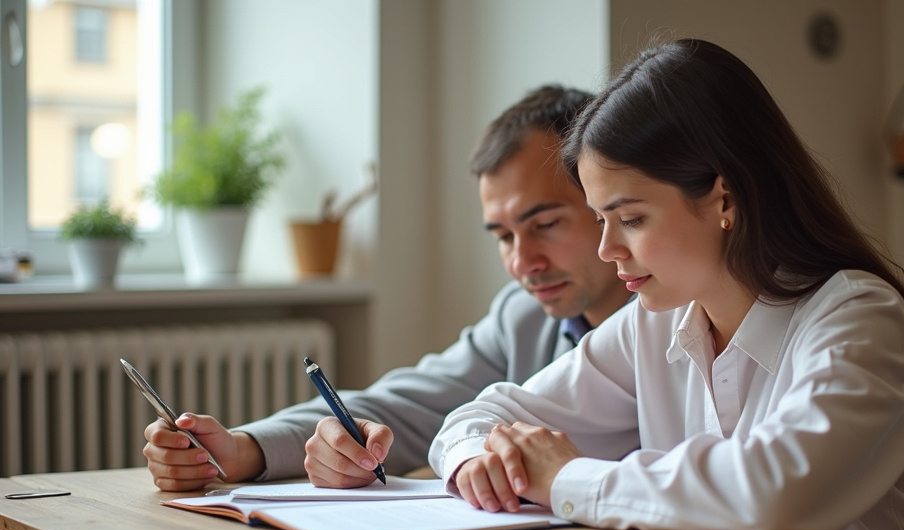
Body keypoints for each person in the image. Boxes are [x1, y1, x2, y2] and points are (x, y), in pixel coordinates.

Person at [428, 39, 904, 530]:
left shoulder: (859, 316)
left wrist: (568, 479)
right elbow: (478, 418)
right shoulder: (656, 323)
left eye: (633, 218)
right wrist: (480, 460)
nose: (607, 249)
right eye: (601, 220)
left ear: (726, 199)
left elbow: (778, 493)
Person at [142, 85, 633, 491]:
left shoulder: (685, 325)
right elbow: (399, 405)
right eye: (503, 236)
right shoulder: (522, 315)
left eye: (545, 224)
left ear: (604, 201)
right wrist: (242, 449)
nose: (523, 262)